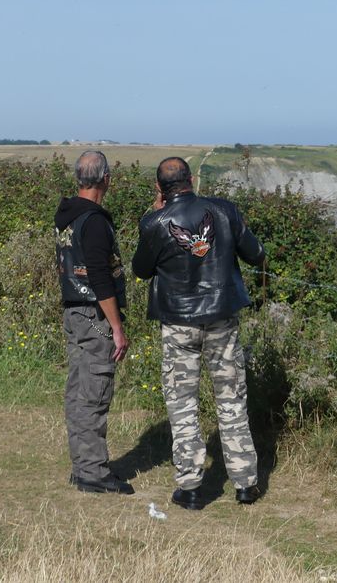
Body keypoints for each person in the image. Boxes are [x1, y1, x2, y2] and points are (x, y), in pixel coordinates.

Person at [132, 157, 265, 510]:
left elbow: (141, 270)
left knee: (182, 403)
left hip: (177, 323)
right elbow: (256, 254)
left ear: (160, 188)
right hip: (222, 319)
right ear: (192, 179)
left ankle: (190, 487)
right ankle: (245, 483)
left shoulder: (155, 223)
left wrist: (153, 214)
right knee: (231, 398)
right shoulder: (225, 211)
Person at [54, 150, 133, 495]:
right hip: (93, 314)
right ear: (106, 179)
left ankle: (84, 464)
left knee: (79, 390)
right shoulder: (95, 221)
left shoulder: (69, 216)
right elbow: (101, 278)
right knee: (93, 391)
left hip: (74, 311)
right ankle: (92, 473)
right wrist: (116, 327)